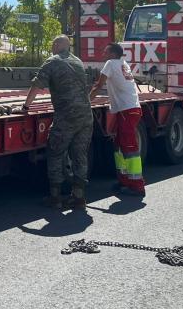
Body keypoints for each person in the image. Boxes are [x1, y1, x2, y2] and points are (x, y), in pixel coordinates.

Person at [21, 35, 94, 210]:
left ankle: (55, 197)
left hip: (66, 116)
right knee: (80, 155)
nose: (52, 47)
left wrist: (25, 107)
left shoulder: (52, 61)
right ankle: (79, 198)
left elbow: (37, 85)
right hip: (86, 116)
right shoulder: (78, 61)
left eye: (53, 44)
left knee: (55, 153)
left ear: (56, 45)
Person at [90, 42, 145, 197]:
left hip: (126, 110)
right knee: (120, 145)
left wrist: (86, 103)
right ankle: (124, 181)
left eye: (106, 51)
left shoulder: (110, 63)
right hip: (131, 108)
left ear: (113, 54)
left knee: (129, 147)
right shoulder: (122, 63)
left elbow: (98, 85)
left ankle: (137, 185)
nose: (103, 54)